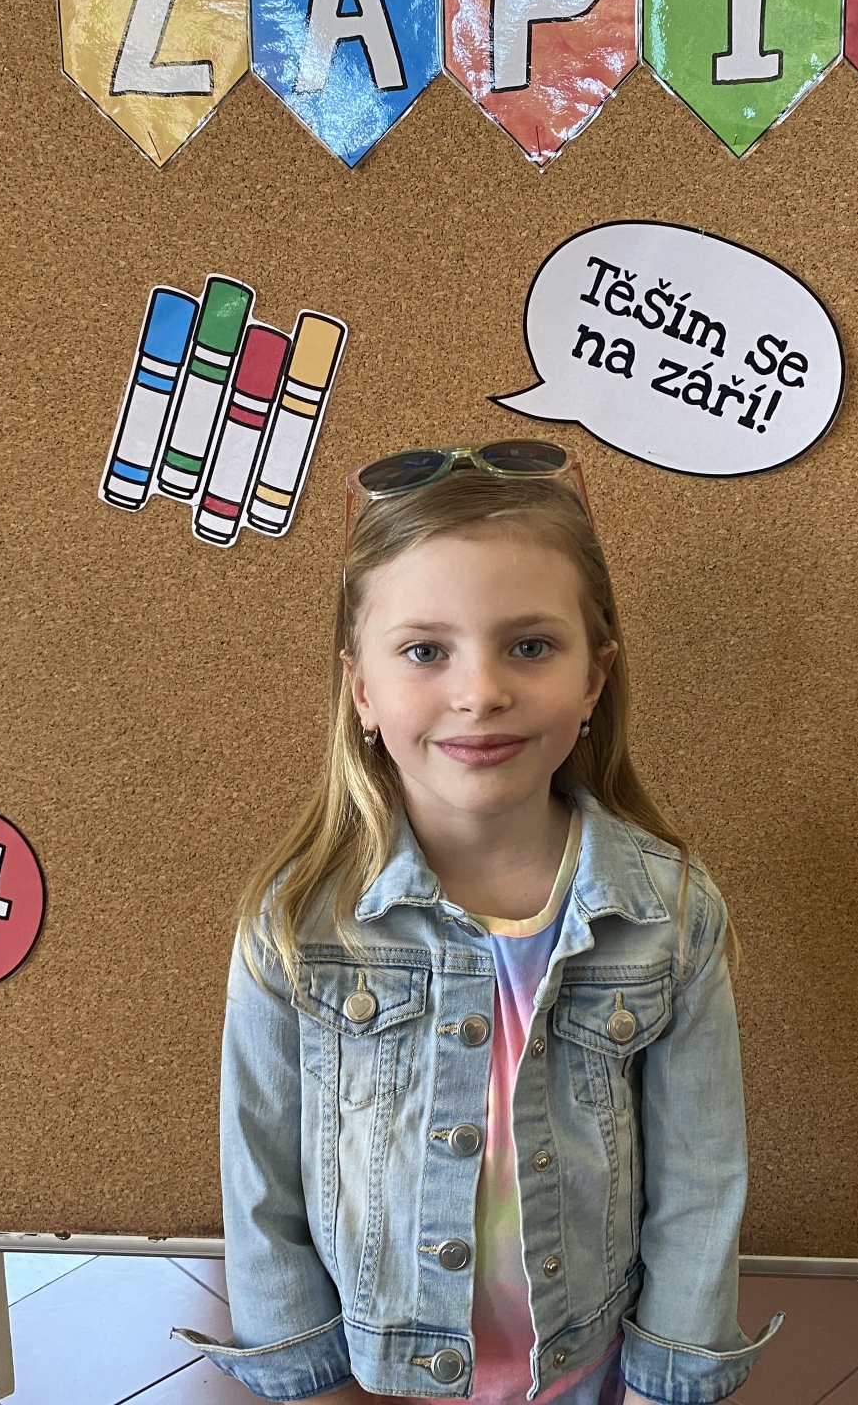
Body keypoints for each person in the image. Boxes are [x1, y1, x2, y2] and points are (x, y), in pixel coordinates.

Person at [183, 443, 780, 1403]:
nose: (480, 691)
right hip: (378, 1377)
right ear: (362, 689)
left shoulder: (667, 911)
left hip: (587, 1367)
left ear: (595, 679)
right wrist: (304, 1375)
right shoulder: (296, 918)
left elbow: (700, 1179)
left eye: (530, 646)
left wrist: (669, 1376)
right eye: (426, 651)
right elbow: (260, 1181)